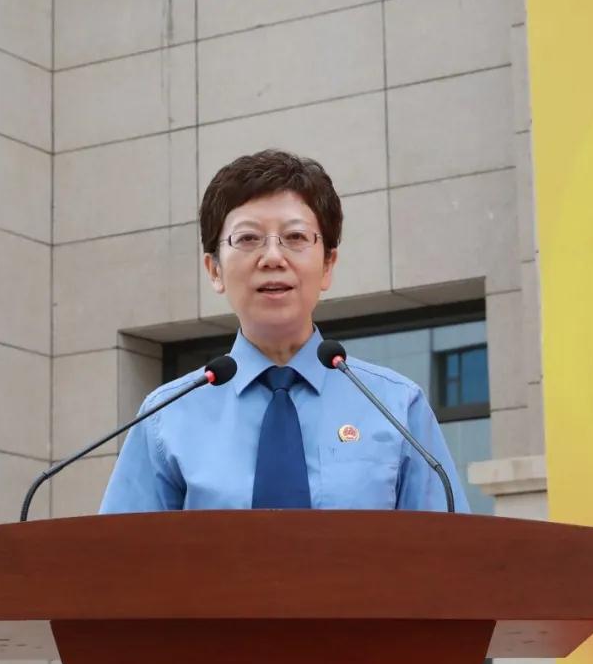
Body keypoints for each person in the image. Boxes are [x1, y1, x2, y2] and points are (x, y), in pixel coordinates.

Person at [99, 150, 470, 513]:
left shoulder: (397, 407)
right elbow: (120, 551)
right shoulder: (167, 417)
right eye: (248, 238)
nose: (273, 258)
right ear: (214, 270)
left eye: (295, 237)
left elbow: (449, 548)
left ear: (328, 265)